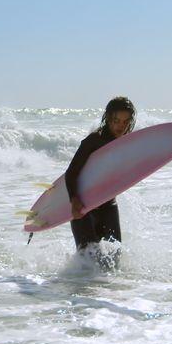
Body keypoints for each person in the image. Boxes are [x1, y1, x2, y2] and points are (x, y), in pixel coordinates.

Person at [65, 97, 136, 257]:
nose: (121, 126)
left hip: (109, 207)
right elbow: (71, 173)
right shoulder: (93, 140)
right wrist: (74, 200)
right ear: (108, 118)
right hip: (85, 208)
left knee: (114, 259)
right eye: (116, 121)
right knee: (88, 264)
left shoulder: (126, 143)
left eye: (125, 122)